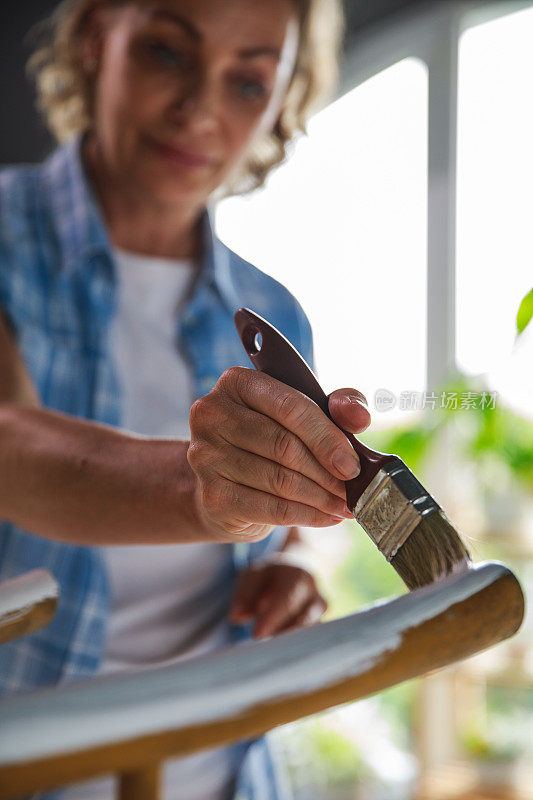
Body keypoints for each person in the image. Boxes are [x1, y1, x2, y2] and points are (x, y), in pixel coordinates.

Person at [0, 1, 371, 798]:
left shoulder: (275, 313)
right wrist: (204, 491)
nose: (200, 110)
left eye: (247, 81)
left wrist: (293, 558)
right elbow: (9, 445)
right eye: (167, 53)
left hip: (228, 776)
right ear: (99, 38)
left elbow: (267, 543)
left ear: (282, 98)